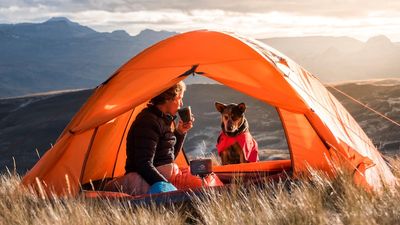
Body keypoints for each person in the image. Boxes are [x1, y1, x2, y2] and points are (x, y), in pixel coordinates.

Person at [104, 81, 194, 195]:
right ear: (168, 98)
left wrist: (180, 132)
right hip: (146, 180)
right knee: (197, 184)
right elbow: (143, 163)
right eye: (180, 98)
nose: (181, 104)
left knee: (201, 178)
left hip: (161, 178)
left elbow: (167, 158)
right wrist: (166, 187)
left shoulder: (163, 120)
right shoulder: (147, 122)